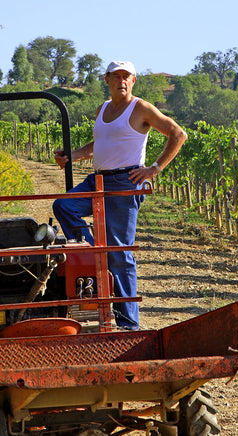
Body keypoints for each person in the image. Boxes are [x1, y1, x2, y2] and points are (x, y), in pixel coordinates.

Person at [53, 60, 187, 330]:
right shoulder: (102, 109)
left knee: (119, 253)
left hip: (125, 182)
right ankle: (91, 253)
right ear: (107, 80)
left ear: (133, 81)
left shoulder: (141, 108)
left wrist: (155, 168)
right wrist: (73, 156)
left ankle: (128, 323)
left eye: (127, 77)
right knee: (63, 207)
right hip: (98, 180)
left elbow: (178, 133)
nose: (121, 81)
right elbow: (101, 143)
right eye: (116, 77)